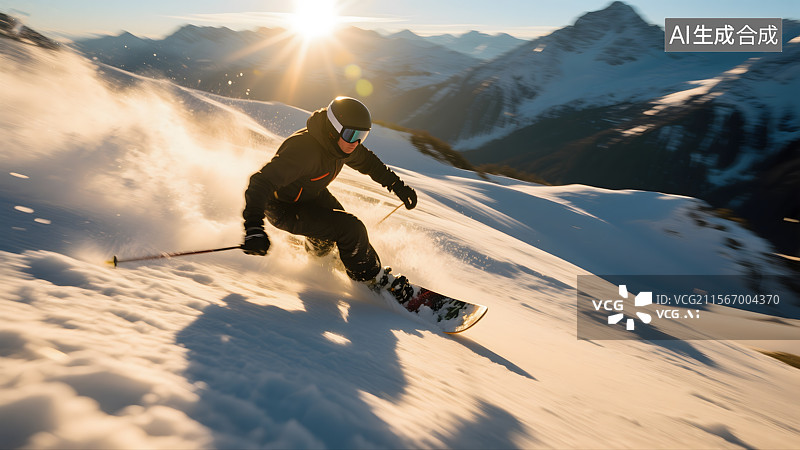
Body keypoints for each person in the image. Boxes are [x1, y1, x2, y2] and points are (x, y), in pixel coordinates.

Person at [241, 96, 418, 294]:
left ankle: (319, 255)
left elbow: (369, 163)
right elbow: (260, 182)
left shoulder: (343, 145)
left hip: (311, 195)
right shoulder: (304, 150)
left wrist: (397, 185)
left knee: (342, 230)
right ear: (333, 130)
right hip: (283, 208)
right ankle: (373, 280)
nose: (356, 142)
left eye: (362, 135)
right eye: (352, 134)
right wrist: (254, 227)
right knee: (351, 229)